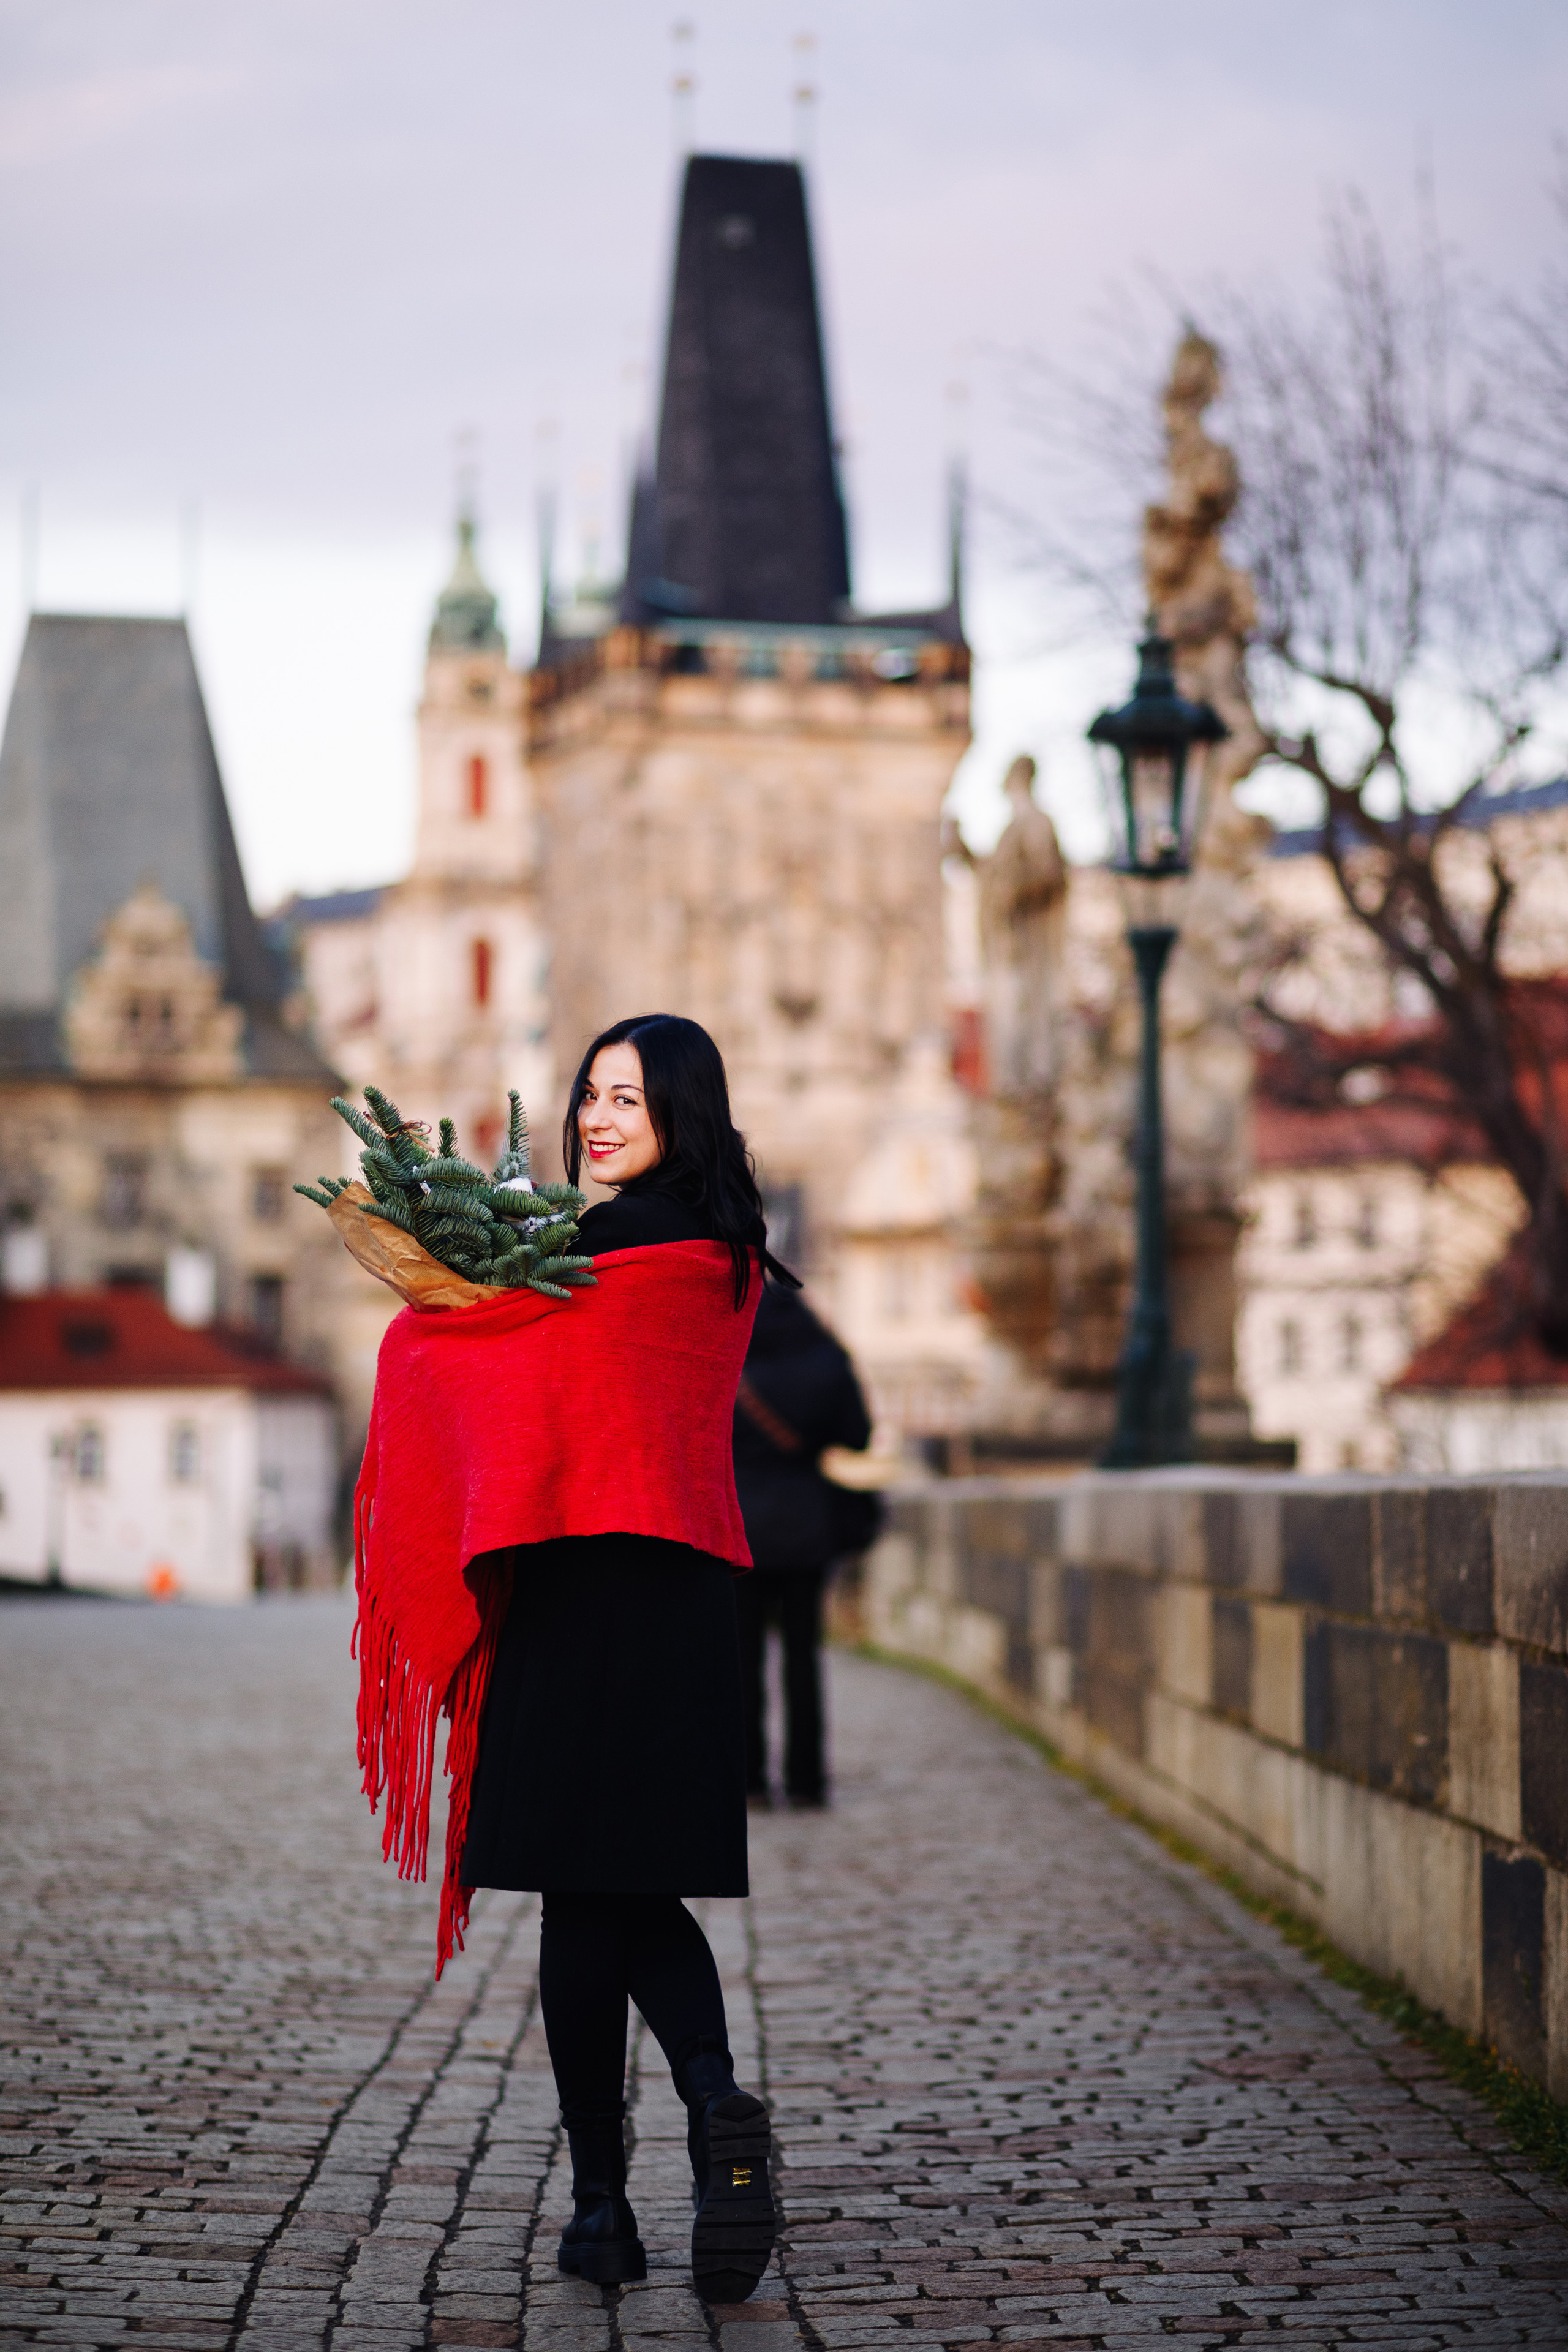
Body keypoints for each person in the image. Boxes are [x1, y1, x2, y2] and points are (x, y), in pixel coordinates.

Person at [458, 1014, 793, 2301]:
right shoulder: (728, 1258)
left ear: (679, 1119)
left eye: (629, 1104)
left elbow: (488, 1381)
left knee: (576, 1894)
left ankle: (601, 2209)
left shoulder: (585, 1255)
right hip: (692, 1592)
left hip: (582, 1585)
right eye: (591, 1096)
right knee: (635, 1886)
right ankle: (714, 2102)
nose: (598, 1121)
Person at [731, 1284, 874, 1807]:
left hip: (738, 1522)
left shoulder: (730, 1358)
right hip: (807, 1522)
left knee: (741, 1660)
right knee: (802, 1656)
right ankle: (808, 1780)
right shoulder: (826, 1359)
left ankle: (748, 1780)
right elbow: (858, 1435)